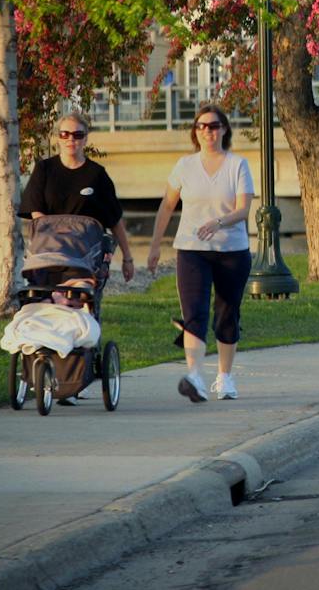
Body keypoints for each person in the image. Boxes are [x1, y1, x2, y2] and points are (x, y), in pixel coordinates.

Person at [19, 111, 135, 404]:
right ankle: (43, 363)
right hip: (49, 254)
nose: (71, 140)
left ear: (86, 138)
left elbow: (115, 219)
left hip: (85, 257)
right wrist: (54, 237)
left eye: (78, 135)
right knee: (44, 304)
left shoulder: (96, 175)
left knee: (80, 306)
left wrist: (129, 257)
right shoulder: (45, 170)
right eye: (65, 134)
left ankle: (73, 376)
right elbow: (36, 212)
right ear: (57, 137)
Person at [146, 103, 255, 402]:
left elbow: (243, 209)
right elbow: (167, 206)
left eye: (214, 126)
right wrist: (156, 246)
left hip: (232, 251)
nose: (208, 131)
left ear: (224, 130)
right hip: (191, 250)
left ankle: (225, 377)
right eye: (202, 126)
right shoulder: (185, 165)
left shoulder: (238, 165)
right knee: (193, 313)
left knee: (226, 314)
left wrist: (218, 222)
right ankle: (194, 377)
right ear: (196, 132)